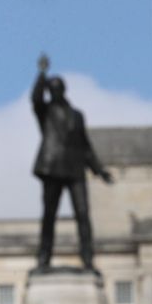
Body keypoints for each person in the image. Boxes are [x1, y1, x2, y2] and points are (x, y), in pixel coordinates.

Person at [31, 53, 113, 271]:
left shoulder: (77, 115)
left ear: (63, 90)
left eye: (56, 89)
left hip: (75, 169)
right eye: (51, 89)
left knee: (83, 215)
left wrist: (99, 170)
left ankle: (87, 258)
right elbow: (35, 99)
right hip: (52, 166)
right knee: (49, 215)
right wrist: (41, 74)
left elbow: (85, 146)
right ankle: (43, 258)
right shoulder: (45, 112)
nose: (53, 92)